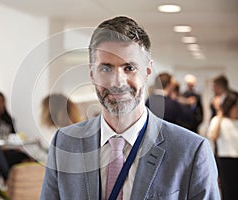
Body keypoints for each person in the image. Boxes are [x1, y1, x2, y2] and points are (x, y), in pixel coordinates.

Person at [41, 16, 220, 199]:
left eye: (129, 68)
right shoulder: (64, 143)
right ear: (92, 74)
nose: (118, 82)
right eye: (106, 68)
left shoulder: (191, 151)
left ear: (147, 71)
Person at [0, 91, 30, 167]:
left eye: (2, 101)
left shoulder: (7, 120)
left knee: (26, 155)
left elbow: (13, 136)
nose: (1, 105)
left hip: (10, 148)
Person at [207, 91, 238, 200]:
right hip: (225, 160)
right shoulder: (218, 120)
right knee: (228, 191)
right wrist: (220, 113)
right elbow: (213, 136)